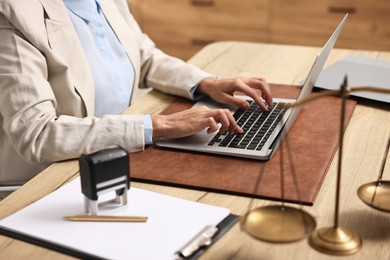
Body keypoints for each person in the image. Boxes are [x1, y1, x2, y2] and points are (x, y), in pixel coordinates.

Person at [0, 0, 272, 188]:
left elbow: (143, 56)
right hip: (50, 181)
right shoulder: (13, 12)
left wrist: (206, 83)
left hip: (122, 154)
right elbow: (37, 134)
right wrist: (159, 124)